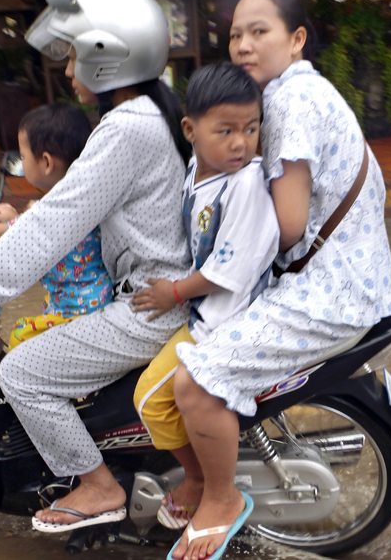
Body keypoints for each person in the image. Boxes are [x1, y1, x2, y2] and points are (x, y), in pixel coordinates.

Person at [0, 0, 194, 533]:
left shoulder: (124, 129)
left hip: (148, 305)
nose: (67, 70)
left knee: (20, 373)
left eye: (75, 57)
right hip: (161, 291)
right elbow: (57, 214)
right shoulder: (151, 112)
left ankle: (98, 486)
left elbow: (52, 227)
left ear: (109, 57)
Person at [167, 0, 391, 559]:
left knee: (194, 385)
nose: (245, 45)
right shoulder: (293, 90)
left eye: (260, 31)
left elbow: (288, 224)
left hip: (327, 292)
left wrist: (220, 253)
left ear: (296, 38)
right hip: (352, 277)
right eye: (235, 36)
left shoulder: (291, 103)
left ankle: (220, 498)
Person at [129, 62, 279, 530]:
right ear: (190, 130)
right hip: (206, 310)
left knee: (150, 399)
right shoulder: (199, 168)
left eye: (251, 129)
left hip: (223, 319)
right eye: (227, 130)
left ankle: (201, 482)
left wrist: (172, 293)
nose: (241, 142)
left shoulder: (246, 184)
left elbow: (225, 269)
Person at [0, 103, 113, 350]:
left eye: (23, 156)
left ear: (46, 162)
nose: (21, 162)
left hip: (77, 313)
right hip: (94, 302)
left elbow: (12, 233)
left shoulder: (52, 209)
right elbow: (35, 223)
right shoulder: (80, 194)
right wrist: (18, 215)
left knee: (19, 343)